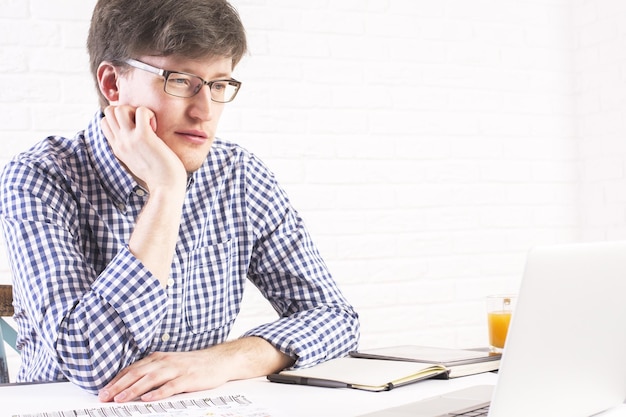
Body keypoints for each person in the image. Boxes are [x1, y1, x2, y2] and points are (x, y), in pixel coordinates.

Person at [0, 0, 360, 403]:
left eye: (219, 85)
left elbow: (335, 318)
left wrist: (221, 361)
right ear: (112, 84)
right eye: (180, 80)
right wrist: (166, 192)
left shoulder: (239, 175)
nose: (205, 111)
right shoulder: (38, 178)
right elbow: (92, 364)